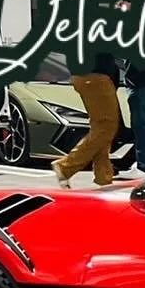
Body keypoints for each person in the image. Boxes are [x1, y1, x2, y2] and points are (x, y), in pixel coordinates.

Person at [52, 48, 122, 189]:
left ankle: (103, 176)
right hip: (96, 76)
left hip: (88, 75)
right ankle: (65, 166)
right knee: (107, 126)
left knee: (100, 127)